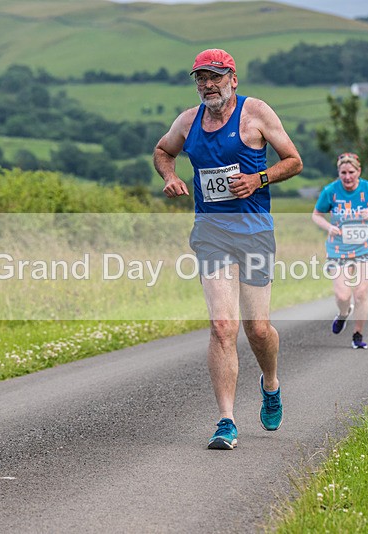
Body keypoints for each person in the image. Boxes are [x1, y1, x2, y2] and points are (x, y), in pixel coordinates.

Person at [153, 48, 303, 450]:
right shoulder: (188, 121)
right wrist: (169, 176)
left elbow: (294, 161)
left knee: (257, 329)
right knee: (222, 325)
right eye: (201, 78)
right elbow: (163, 151)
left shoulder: (256, 114)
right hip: (211, 232)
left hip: (254, 232)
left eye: (215, 77)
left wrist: (259, 179)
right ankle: (226, 421)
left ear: (233, 79)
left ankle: (270, 383)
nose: (208, 85)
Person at [312, 152, 368, 349]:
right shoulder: (330, 191)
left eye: (351, 172)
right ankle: (343, 313)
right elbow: (316, 215)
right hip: (339, 249)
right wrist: (329, 227)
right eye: (343, 173)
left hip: (366, 248)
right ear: (338, 173)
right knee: (343, 296)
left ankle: (358, 335)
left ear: (358, 171)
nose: (347, 177)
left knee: (361, 292)